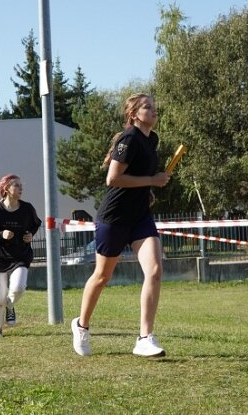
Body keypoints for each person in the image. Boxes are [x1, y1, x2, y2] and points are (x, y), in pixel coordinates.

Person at [71, 93, 170, 357]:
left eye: (154, 107)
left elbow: (139, 177)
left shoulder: (153, 140)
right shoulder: (129, 139)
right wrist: (151, 180)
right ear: (133, 114)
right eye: (147, 107)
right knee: (103, 277)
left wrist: (147, 190)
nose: (153, 111)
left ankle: (144, 338)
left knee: (155, 270)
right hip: (114, 217)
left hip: (140, 218)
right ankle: (81, 326)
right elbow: (113, 179)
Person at [0, 174, 41, 339]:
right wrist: (1, 235)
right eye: (17, 186)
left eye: (21, 186)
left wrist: (31, 235)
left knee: (18, 288)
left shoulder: (27, 208)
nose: (21, 189)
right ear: (7, 189)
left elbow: (36, 223)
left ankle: (10, 305)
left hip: (20, 256)